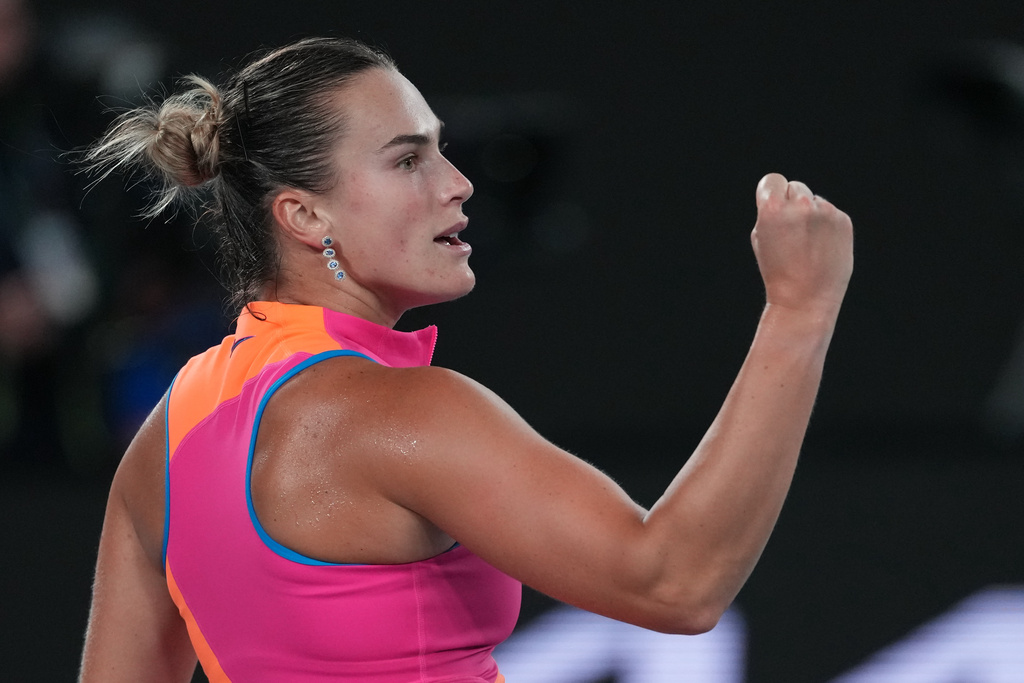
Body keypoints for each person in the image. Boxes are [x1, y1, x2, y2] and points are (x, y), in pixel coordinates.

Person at [77, 37, 853, 683]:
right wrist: (798, 313)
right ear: (305, 214)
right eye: (408, 160)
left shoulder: (165, 437)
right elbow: (674, 581)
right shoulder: (401, 413)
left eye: (441, 150)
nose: (458, 183)